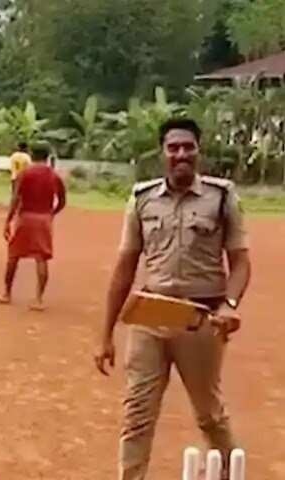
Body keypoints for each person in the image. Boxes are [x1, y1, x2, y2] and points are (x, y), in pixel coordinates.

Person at [94, 118, 251, 480]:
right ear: (162, 152)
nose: (181, 154)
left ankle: (230, 473)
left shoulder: (221, 197)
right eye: (173, 147)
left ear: (199, 150)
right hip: (150, 315)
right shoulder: (142, 199)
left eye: (188, 147)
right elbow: (124, 268)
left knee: (209, 414)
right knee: (137, 414)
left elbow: (241, 263)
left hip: (200, 318)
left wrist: (229, 305)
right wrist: (105, 335)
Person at [0, 141, 66, 310]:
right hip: (44, 220)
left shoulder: (24, 174)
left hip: (25, 217)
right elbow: (62, 201)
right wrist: (51, 213)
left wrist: (8, 220)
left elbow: (15, 198)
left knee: (13, 256)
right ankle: (39, 299)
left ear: (31, 154)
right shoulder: (54, 176)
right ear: (48, 156)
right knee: (41, 258)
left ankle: (6, 293)